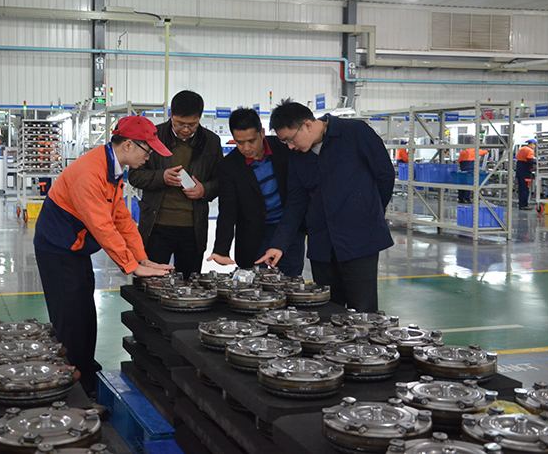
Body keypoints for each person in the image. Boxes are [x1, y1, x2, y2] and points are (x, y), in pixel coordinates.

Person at [33, 115, 173, 395]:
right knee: (71, 321)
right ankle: (73, 389)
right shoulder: (91, 173)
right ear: (129, 145)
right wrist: (131, 266)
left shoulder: (112, 168)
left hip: (75, 249)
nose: (149, 158)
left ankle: (87, 371)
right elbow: (102, 227)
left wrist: (142, 258)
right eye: (147, 151)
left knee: (85, 316)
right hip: (57, 250)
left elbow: (121, 218)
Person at [255, 101, 395, 310]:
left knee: (362, 311)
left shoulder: (355, 133)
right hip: (322, 245)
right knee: (327, 309)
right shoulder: (298, 156)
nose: (290, 146)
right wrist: (279, 244)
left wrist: (369, 212)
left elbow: (385, 175)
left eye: (291, 139)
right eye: (285, 142)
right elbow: (296, 203)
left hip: (359, 242)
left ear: (307, 125)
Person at [129, 90, 223, 276]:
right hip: (156, 226)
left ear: (200, 118)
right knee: (152, 281)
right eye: (180, 123)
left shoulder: (211, 142)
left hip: (193, 228)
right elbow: (135, 175)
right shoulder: (153, 137)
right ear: (171, 115)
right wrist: (161, 177)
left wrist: (204, 190)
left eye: (192, 125)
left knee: (189, 283)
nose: (186, 129)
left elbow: (221, 181)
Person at [206, 108, 306, 277]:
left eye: (251, 141)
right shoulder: (229, 166)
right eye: (239, 142)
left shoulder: (283, 148)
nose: (246, 148)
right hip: (254, 236)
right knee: (254, 284)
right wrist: (221, 249)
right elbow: (228, 210)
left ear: (262, 133)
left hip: (288, 230)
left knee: (291, 280)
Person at [516, 138, 537, 210]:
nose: (534, 147)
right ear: (532, 144)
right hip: (525, 172)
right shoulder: (529, 150)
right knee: (525, 189)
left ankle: (521, 204)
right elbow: (530, 160)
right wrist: (537, 161)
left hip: (519, 172)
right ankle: (524, 205)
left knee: (521, 189)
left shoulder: (521, 149)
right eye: (534, 145)